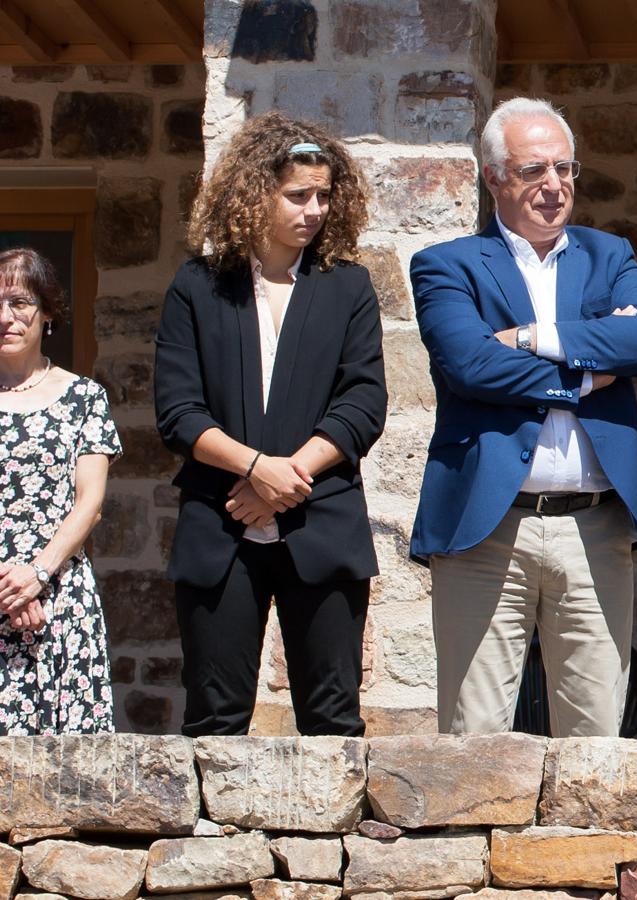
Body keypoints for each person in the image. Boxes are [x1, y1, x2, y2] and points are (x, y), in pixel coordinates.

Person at [410, 97, 637, 738]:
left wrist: (528, 338)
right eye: (533, 171)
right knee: (475, 738)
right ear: (494, 177)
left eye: (565, 169)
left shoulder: (610, 256)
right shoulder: (448, 264)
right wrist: (587, 368)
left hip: (595, 527)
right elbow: (470, 367)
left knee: (597, 738)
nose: (554, 186)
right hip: (490, 529)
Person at [154, 113, 386, 737]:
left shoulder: (349, 289)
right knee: (215, 719)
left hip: (322, 520)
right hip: (220, 524)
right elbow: (178, 411)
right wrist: (255, 470)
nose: (313, 210)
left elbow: (363, 404)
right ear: (254, 192)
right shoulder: (198, 287)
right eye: (297, 195)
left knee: (334, 720)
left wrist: (287, 478)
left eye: (323, 196)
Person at [0, 249, 118, 736]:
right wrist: (8, 587)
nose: (5, 317)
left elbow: (91, 503)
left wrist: (37, 575)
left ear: (48, 311)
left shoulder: (86, 398)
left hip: (58, 592)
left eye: (20, 302)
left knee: (69, 772)